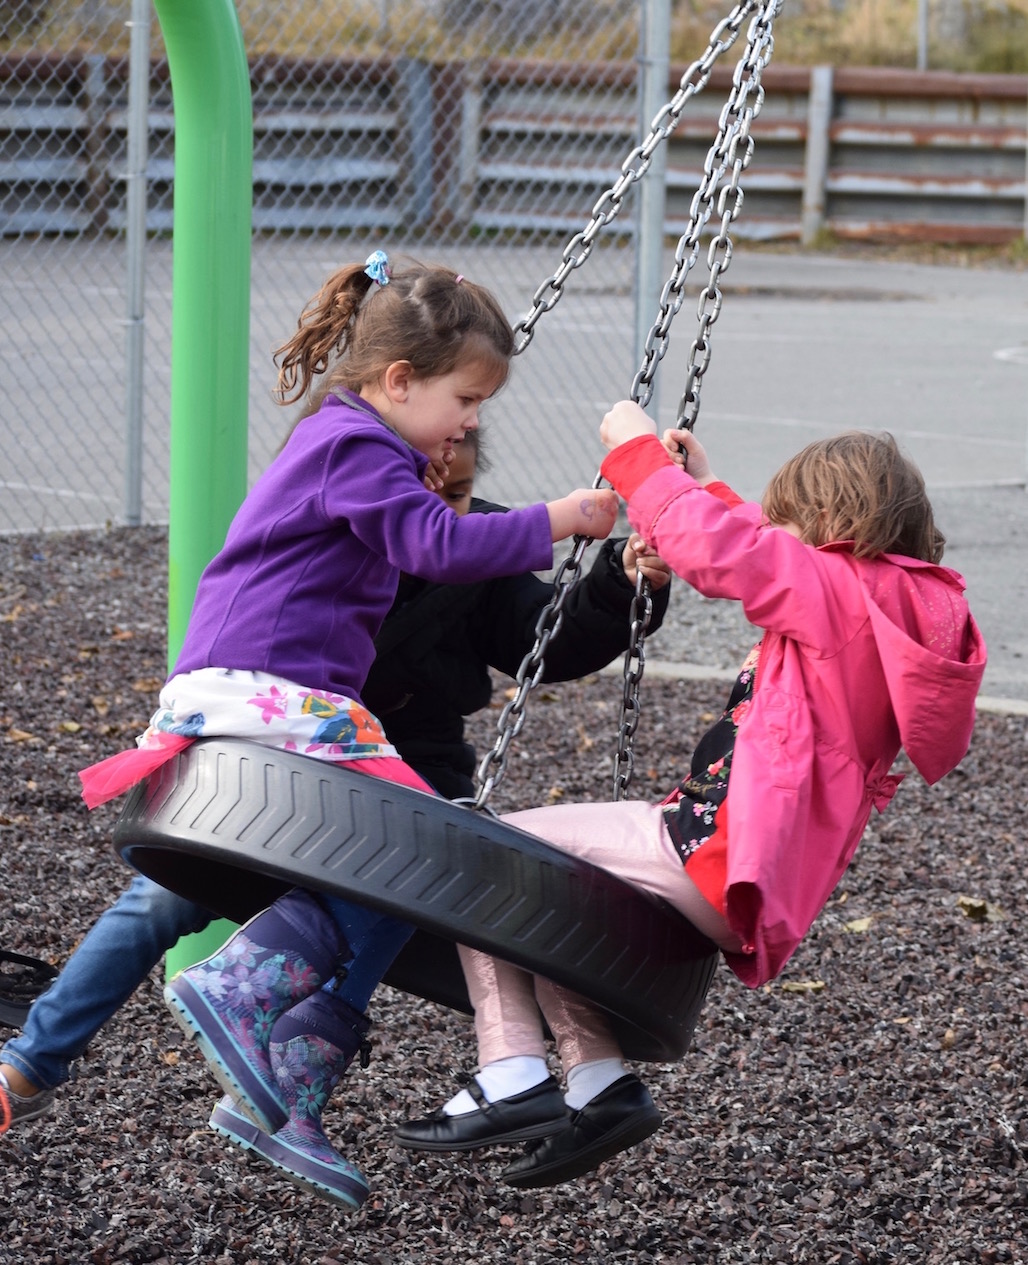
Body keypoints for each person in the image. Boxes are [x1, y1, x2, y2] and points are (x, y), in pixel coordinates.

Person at [0, 254, 631, 1212]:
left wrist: (626, 577)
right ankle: (251, 997)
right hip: (266, 693)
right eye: (465, 400)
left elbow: (509, 596)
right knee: (421, 843)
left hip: (279, 697)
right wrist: (561, 517)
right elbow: (435, 545)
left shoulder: (366, 451)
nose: (471, 426)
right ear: (399, 381)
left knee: (418, 852)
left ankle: (282, 1076)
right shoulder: (358, 450)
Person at [395, 407, 987, 1190]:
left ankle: (509, 1072)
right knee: (564, 901)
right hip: (744, 867)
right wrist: (705, 483)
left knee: (489, 850)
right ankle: (603, 1089)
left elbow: (725, 551)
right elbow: (758, 547)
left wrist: (639, 453)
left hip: (710, 846)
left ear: (832, 524)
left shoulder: (837, 595)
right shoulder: (884, 608)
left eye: (794, 523)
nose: (784, 538)